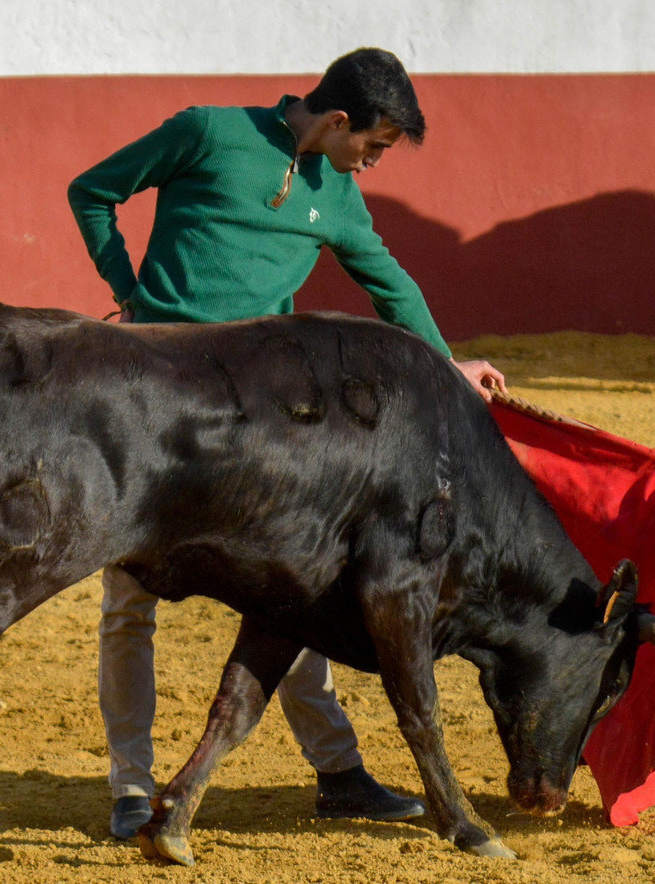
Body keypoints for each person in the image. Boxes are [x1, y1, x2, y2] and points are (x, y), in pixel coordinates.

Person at [67, 47, 506, 840]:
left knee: (290, 589)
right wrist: (128, 293)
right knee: (130, 602)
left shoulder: (335, 192)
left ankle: (338, 773)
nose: (371, 163)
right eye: (372, 146)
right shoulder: (207, 133)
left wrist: (448, 367)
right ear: (337, 120)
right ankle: (131, 787)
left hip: (259, 424)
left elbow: (389, 283)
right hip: (154, 403)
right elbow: (93, 191)